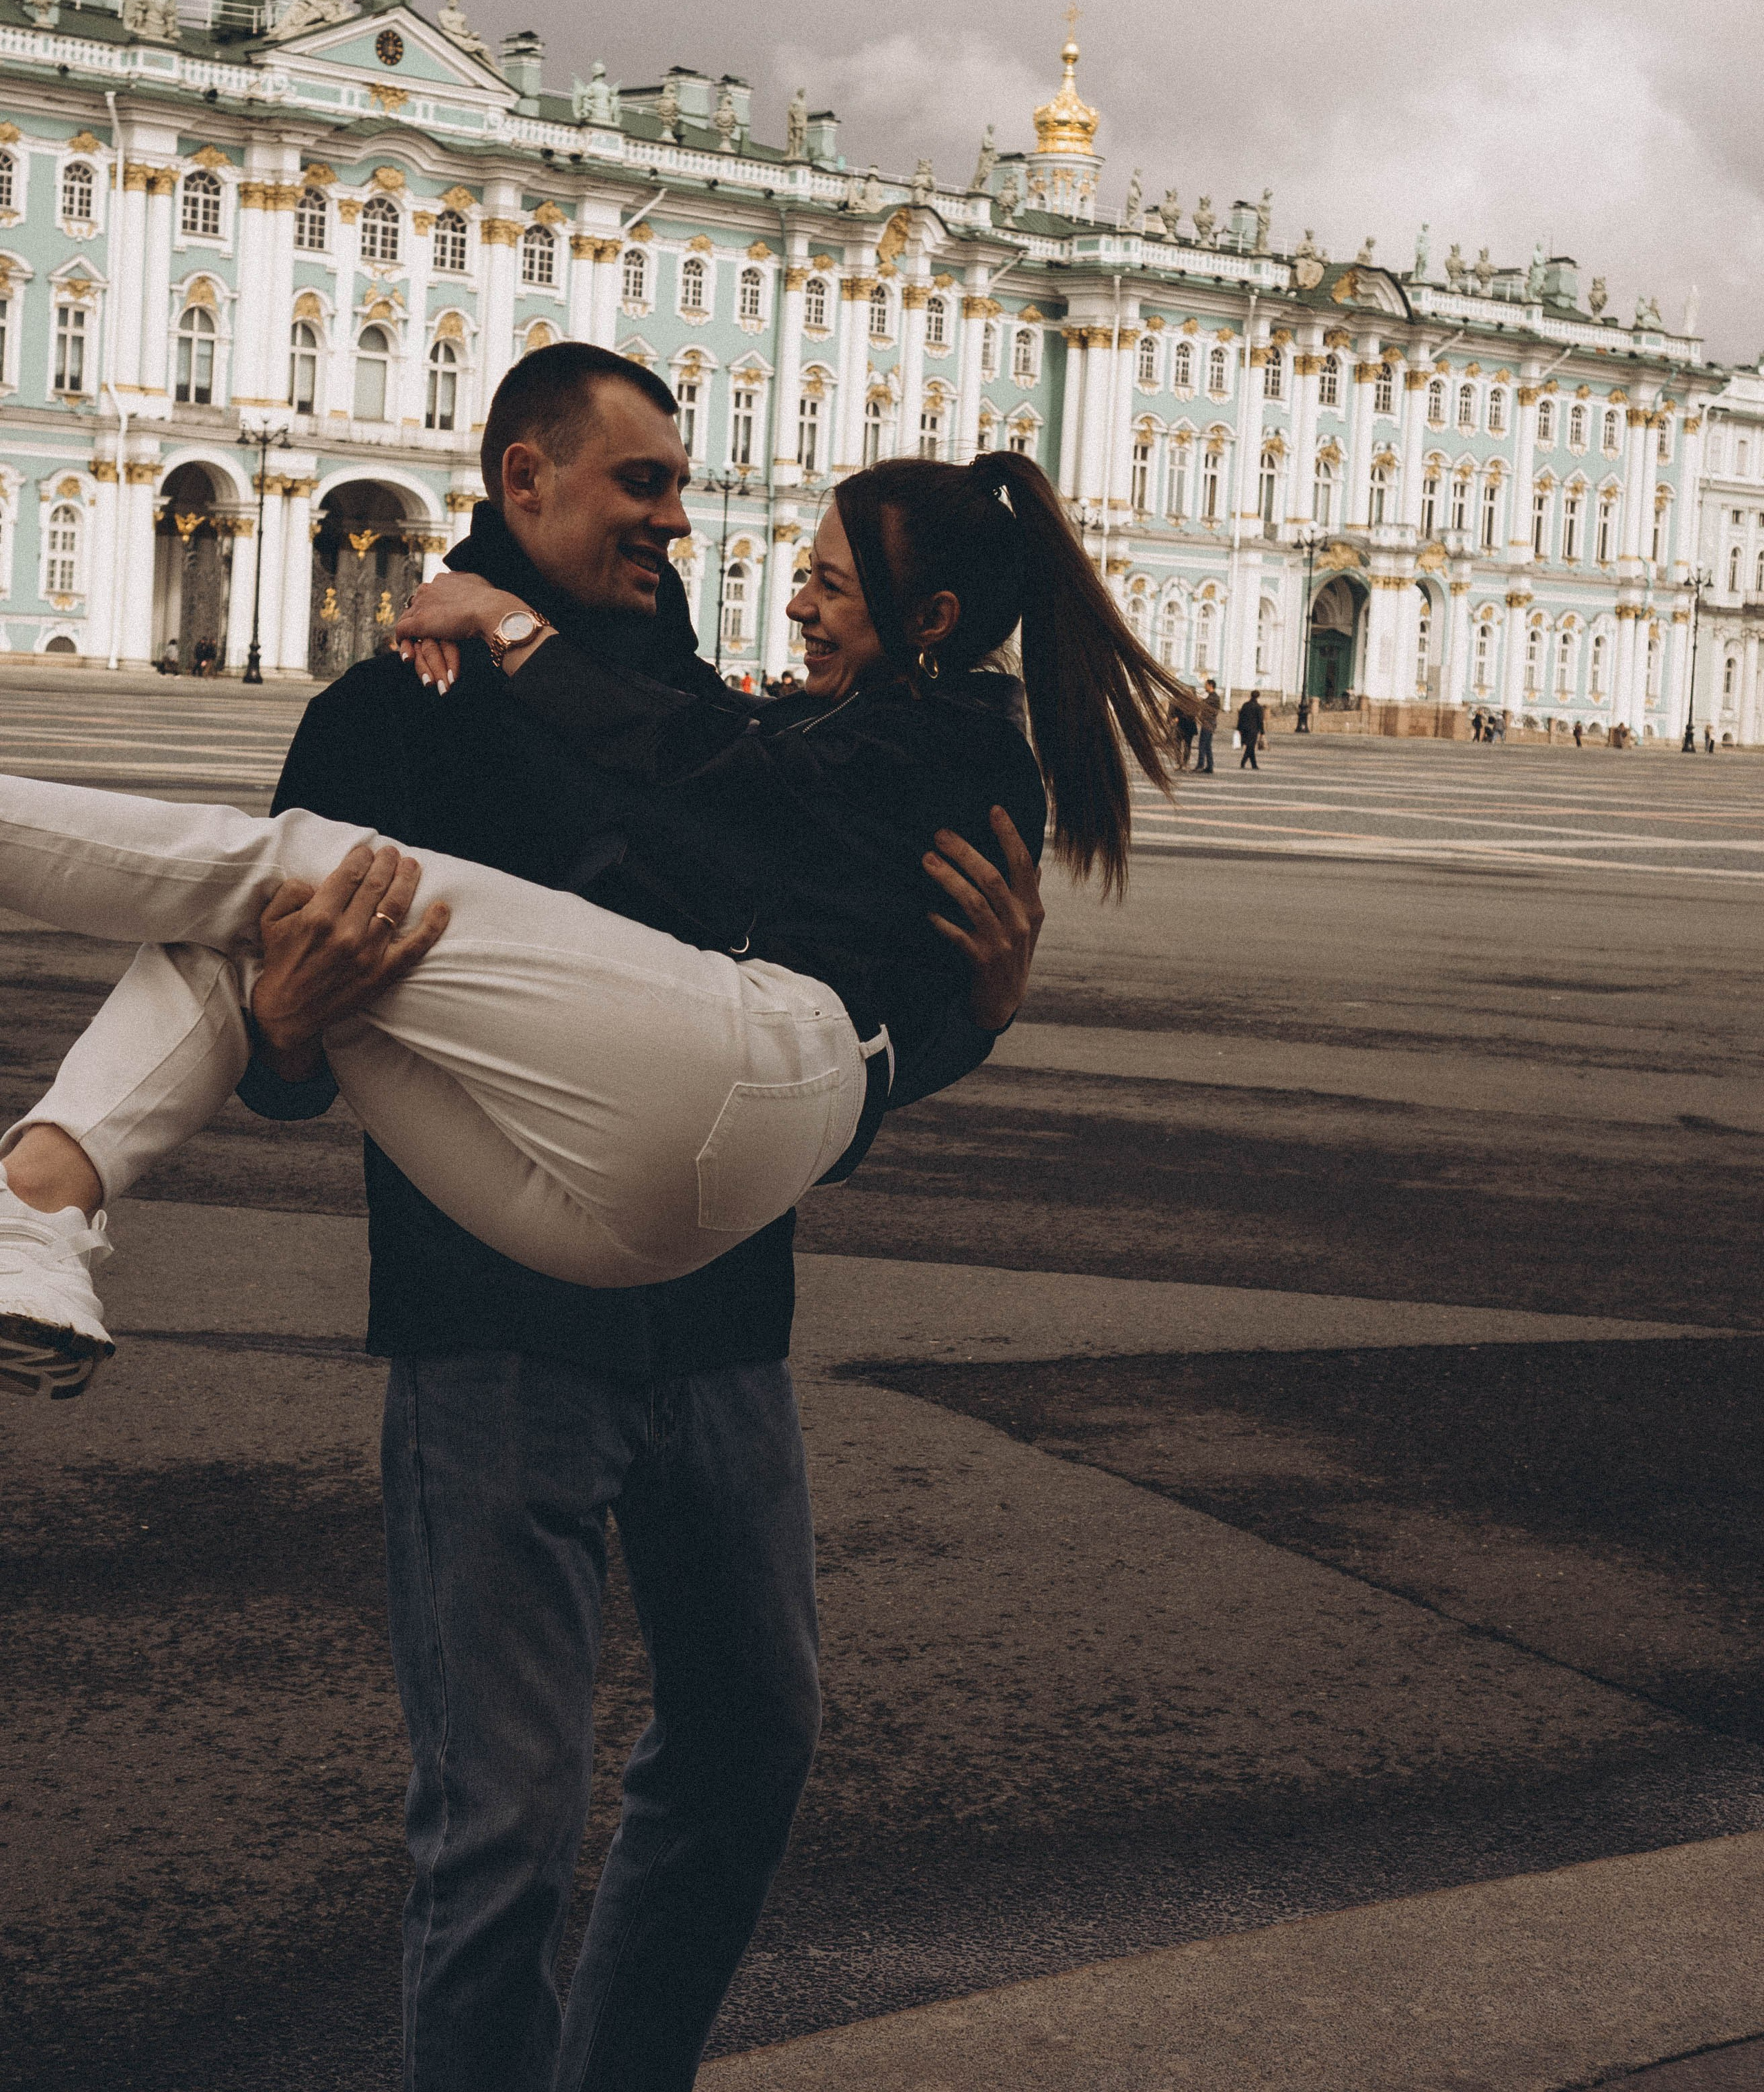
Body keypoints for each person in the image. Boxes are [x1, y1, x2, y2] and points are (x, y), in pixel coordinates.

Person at [0, 349, 1167, 2092]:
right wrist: (297, 1024)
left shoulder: (711, 695)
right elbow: (300, 1061)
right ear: (524, 480)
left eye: (682, 484)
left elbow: (800, 1011)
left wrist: (956, 1016)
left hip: (715, 1317)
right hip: (493, 1320)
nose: (680, 516)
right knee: (502, 1830)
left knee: (751, 1746)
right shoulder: (388, 713)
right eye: (642, 484)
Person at [1236, 688, 1266, 768]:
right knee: (1251, 747)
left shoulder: (1245, 705)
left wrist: (1238, 728)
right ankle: (1243, 763)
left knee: (1250, 747)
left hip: (1244, 729)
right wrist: (1262, 732)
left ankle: (1254, 765)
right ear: (1258, 697)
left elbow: (1241, 717)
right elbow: (1260, 720)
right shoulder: (1259, 707)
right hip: (1253, 730)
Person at [1196, 677, 1220, 772]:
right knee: (1208, 746)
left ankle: (1201, 765)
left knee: (1202, 745)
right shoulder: (1211, 696)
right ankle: (1210, 766)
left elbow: (1205, 704)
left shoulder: (1214, 697)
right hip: (1208, 723)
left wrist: (1198, 700)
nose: (1205, 686)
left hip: (1209, 724)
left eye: (1206, 685)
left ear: (1210, 686)